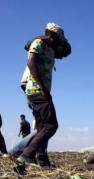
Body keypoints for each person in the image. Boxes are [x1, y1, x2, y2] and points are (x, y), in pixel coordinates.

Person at [16, 22, 71, 170]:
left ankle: (41, 158)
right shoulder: (39, 42)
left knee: (41, 127)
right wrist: (42, 88)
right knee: (51, 125)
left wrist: (61, 42)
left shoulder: (51, 48)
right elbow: (31, 63)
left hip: (39, 90)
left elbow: (66, 51)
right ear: (54, 35)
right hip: (37, 90)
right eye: (60, 37)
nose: (61, 41)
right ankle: (26, 155)